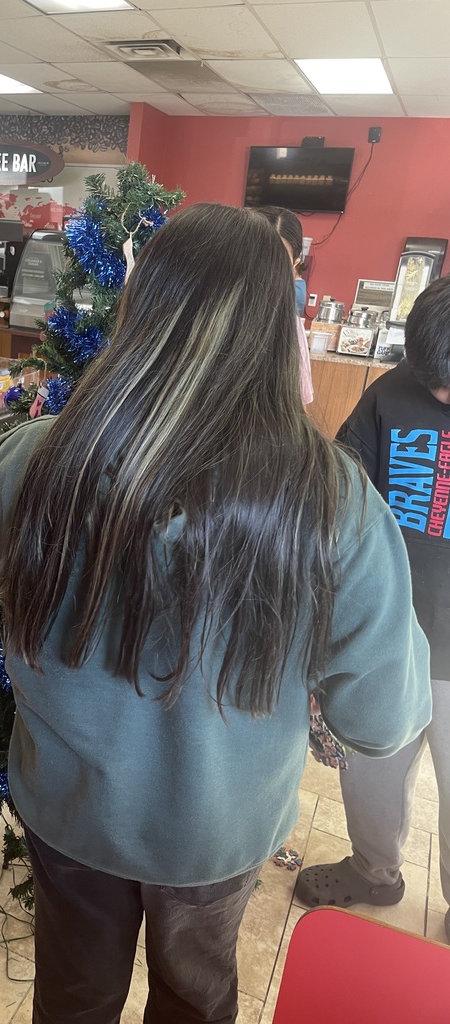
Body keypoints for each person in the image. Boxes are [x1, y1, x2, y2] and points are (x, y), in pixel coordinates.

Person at [0, 203, 431, 1024]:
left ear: (141, 308)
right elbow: (383, 719)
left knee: (73, 998)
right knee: (196, 1000)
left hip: (71, 810)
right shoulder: (335, 501)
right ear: (280, 330)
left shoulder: (42, 455)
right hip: (219, 832)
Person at [296, 275, 450, 944]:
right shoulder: (388, 394)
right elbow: (337, 491)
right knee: (371, 775)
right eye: (432, 380)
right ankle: (374, 871)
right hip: (387, 632)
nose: (440, 395)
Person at [254, 205, 313, 404]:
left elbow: (297, 405)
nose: (265, 269)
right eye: (259, 255)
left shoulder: (290, 327)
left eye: (278, 260)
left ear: (293, 265)